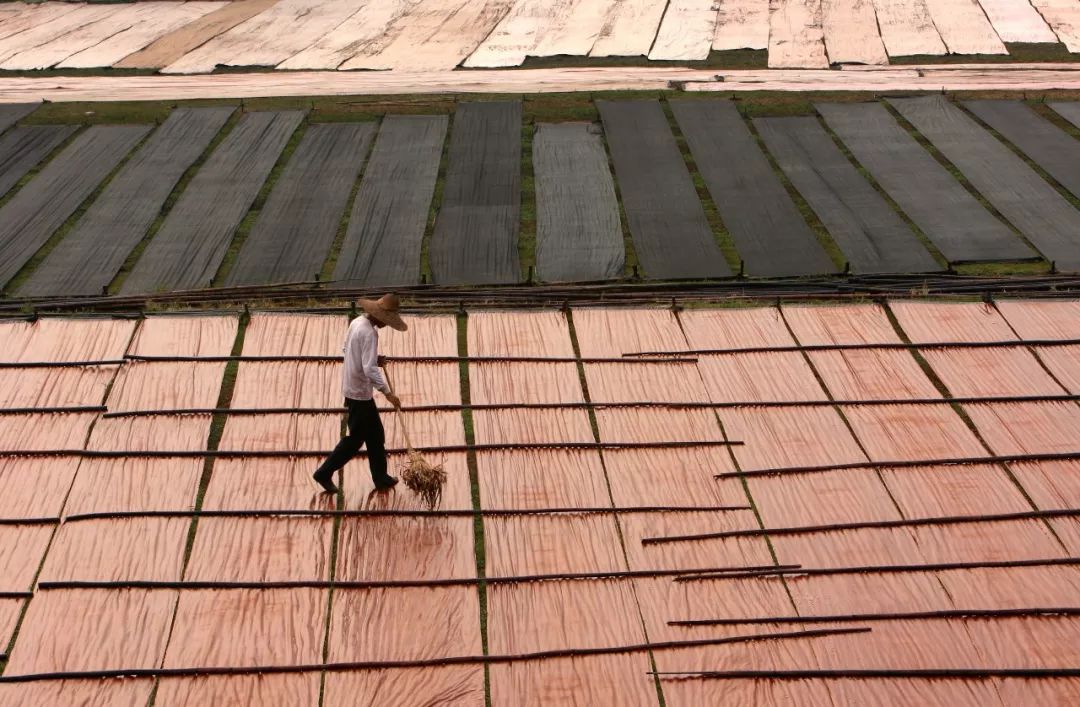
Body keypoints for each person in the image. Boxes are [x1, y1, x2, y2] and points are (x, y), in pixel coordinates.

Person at [313, 293, 406, 494]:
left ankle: (381, 477)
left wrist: (374, 358)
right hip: (359, 394)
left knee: (375, 435)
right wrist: (388, 393)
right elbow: (369, 369)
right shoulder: (370, 334)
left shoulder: (357, 323)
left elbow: (347, 349)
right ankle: (324, 472)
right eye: (387, 321)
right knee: (355, 440)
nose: (386, 325)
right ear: (380, 316)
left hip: (354, 389)